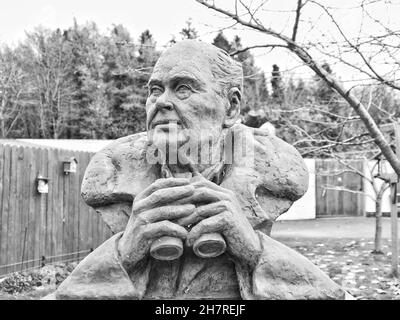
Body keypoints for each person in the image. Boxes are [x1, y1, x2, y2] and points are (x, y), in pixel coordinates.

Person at [52, 40, 349, 299]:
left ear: (231, 107)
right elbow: (68, 294)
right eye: (155, 90)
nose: (162, 102)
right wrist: (125, 251)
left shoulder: (272, 172)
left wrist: (252, 248)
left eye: (183, 89)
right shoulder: (114, 174)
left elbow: (324, 293)